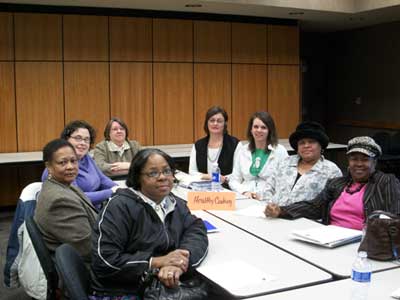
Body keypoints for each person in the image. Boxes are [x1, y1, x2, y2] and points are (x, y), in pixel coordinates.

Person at [90, 148, 208, 298]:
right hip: (122, 289)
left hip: (160, 282)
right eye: (153, 173)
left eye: (167, 171)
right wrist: (156, 262)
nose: (162, 177)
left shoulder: (173, 202)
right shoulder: (119, 207)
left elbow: (195, 228)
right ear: (137, 177)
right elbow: (105, 261)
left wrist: (180, 262)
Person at [265, 136, 400, 230]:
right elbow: (314, 207)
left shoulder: (386, 182)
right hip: (330, 238)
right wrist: (281, 211)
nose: (359, 164)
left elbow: (393, 216)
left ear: (374, 162)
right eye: (354, 159)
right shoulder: (337, 183)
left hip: (364, 242)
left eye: (365, 159)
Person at [35, 139, 98, 262]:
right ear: (49, 167)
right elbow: (88, 249)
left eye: (73, 161)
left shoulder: (64, 185)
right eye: (62, 162)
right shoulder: (59, 201)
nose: (70, 167)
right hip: (88, 268)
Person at [263, 121, 342, 206]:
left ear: (321, 145)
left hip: (307, 218)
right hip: (272, 215)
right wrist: (268, 206)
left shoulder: (332, 171)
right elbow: (268, 188)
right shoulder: (285, 162)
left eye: (311, 142)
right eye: (302, 143)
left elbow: (333, 203)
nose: (306, 145)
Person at [41, 120, 118, 207]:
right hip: (76, 213)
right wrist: (111, 192)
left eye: (86, 140)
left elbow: (102, 179)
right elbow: (76, 197)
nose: (82, 143)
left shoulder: (86, 157)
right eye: (78, 138)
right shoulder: (61, 168)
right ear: (66, 139)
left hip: (95, 210)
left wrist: (118, 188)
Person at [229, 111, 288, 199]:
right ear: (251, 130)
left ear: (269, 130)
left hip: (269, 200)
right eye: (256, 127)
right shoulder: (243, 150)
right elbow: (234, 180)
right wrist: (244, 191)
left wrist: (265, 197)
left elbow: (285, 182)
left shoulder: (280, 151)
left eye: (263, 127)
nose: (259, 130)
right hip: (245, 198)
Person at [189, 106, 241, 184]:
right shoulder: (198, 145)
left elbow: (238, 174)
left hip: (228, 189)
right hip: (202, 190)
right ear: (207, 123)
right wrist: (210, 177)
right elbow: (192, 172)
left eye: (219, 121)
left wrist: (225, 178)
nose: (215, 123)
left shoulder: (235, 144)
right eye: (212, 120)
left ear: (225, 123)